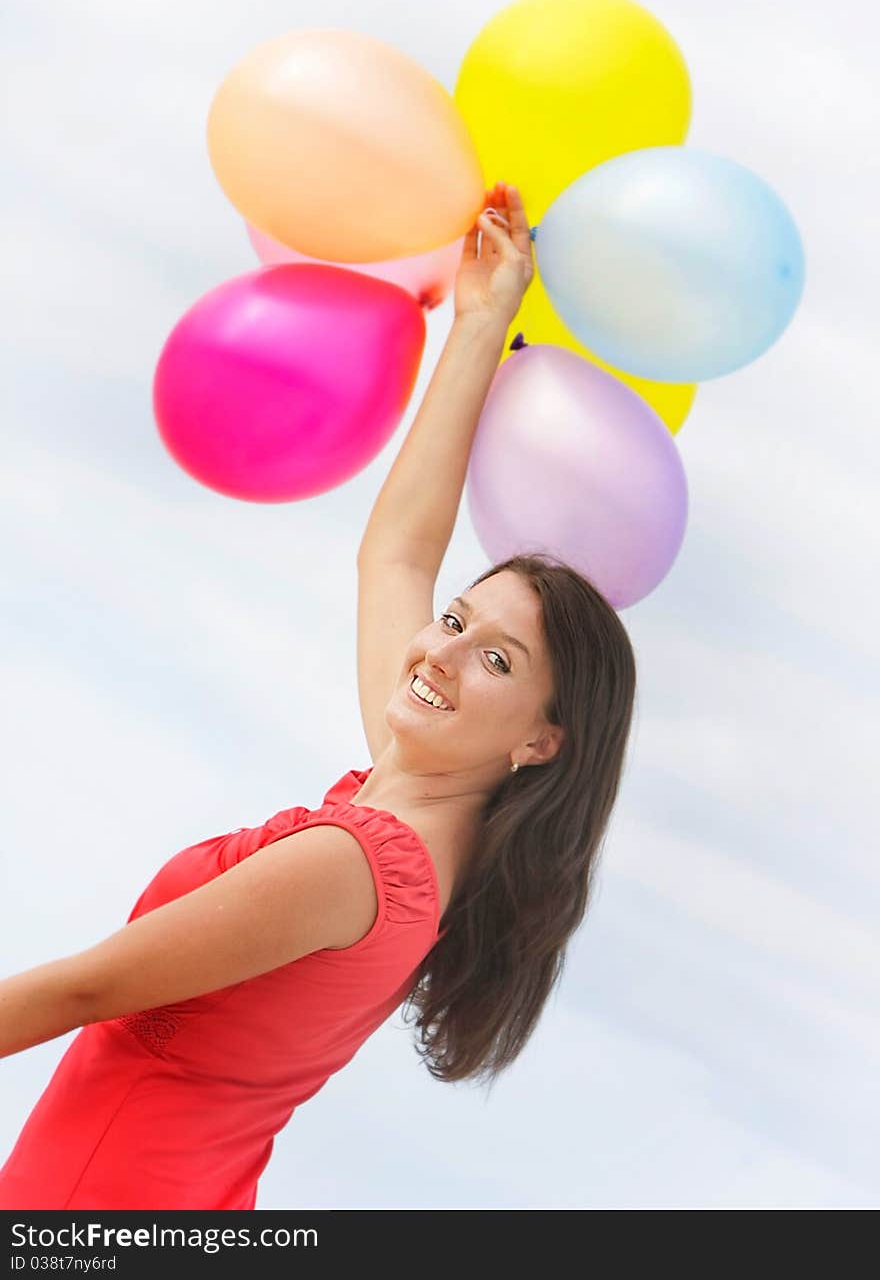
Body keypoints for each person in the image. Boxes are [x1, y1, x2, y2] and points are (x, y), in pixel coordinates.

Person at [0, 182, 636, 1209]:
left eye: (500, 662)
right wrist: (481, 321)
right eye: (460, 620)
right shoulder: (429, 846)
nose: (444, 651)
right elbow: (396, 553)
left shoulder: (358, 864)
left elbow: (88, 987)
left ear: (542, 743)